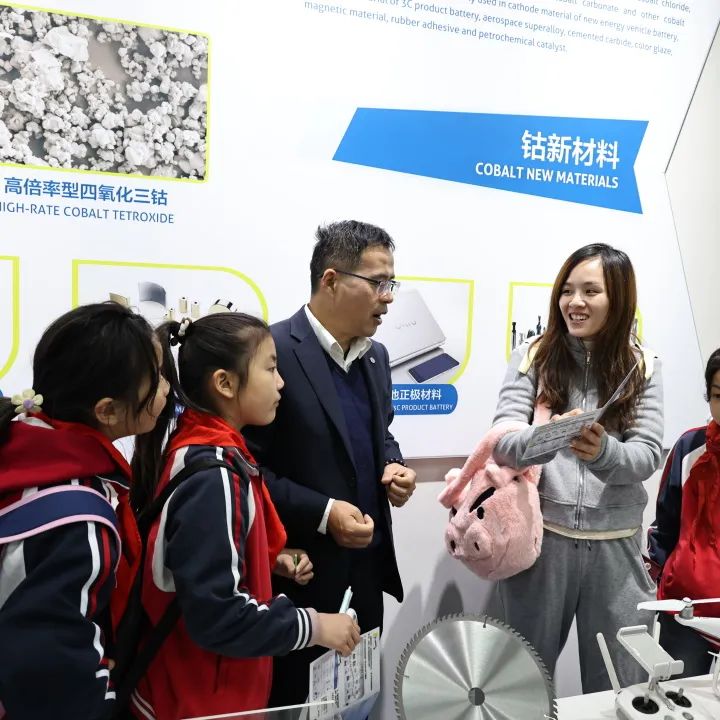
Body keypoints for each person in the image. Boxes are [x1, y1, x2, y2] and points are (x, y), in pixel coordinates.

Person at [130, 312, 361, 720]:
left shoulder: (204, 448)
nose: (281, 382)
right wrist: (318, 626)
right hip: (198, 701)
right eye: (270, 369)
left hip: (200, 691)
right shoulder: (214, 475)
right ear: (225, 383)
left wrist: (267, 561)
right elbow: (219, 616)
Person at [245, 220, 417, 706]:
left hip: (366, 578)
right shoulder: (272, 352)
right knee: (299, 707)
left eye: (391, 283)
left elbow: (380, 434)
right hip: (299, 585)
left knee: (358, 704)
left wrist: (393, 465)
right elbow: (247, 473)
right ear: (332, 280)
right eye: (378, 282)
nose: (388, 297)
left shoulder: (376, 357)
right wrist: (323, 513)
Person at [488, 243, 664, 692]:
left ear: (618, 298)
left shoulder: (641, 365)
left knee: (621, 689)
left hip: (616, 550)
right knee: (522, 685)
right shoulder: (534, 355)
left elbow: (647, 454)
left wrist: (604, 452)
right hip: (542, 543)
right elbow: (502, 444)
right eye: (567, 290)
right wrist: (546, 438)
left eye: (590, 291)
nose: (575, 302)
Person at [0, 302, 168, 720]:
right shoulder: (78, 517)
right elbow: (50, 667)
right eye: (157, 377)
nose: (167, 388)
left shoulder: (24, 447)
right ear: (107, 410)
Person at [647, 347, 720, 676]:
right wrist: (661, 578)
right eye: (718, 395)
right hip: (686, 612)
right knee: (676, 698)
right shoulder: (689, 448)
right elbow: (665, 524)